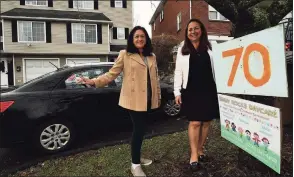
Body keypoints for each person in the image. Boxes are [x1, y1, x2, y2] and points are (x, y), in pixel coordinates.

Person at [79, 26, 161, 177]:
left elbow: (154, 78)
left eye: (142, 36)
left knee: (142, 130)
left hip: (148, 99)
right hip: (133, 100)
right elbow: (111, 74)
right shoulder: (125, 54)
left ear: (146, 39)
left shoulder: (152, 56)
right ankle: (135, 165)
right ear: (132, 39)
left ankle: (137, 155)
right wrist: (93, 81)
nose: (139, 39)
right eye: (136, 37)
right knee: (138, 130)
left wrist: (158, 97)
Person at [173, 19, 219, 171]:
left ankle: (200, 148)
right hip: (191, 90)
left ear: (201, 30)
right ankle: (194, 153)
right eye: (190, 29)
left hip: (209, 90)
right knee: (195, 123)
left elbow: (218, 68)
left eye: (196, 28)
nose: (193, 31)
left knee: (206, 122)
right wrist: (177, 91)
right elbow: (178, 71)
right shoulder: (183, 48)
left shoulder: (211, 46)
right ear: (187, 33)